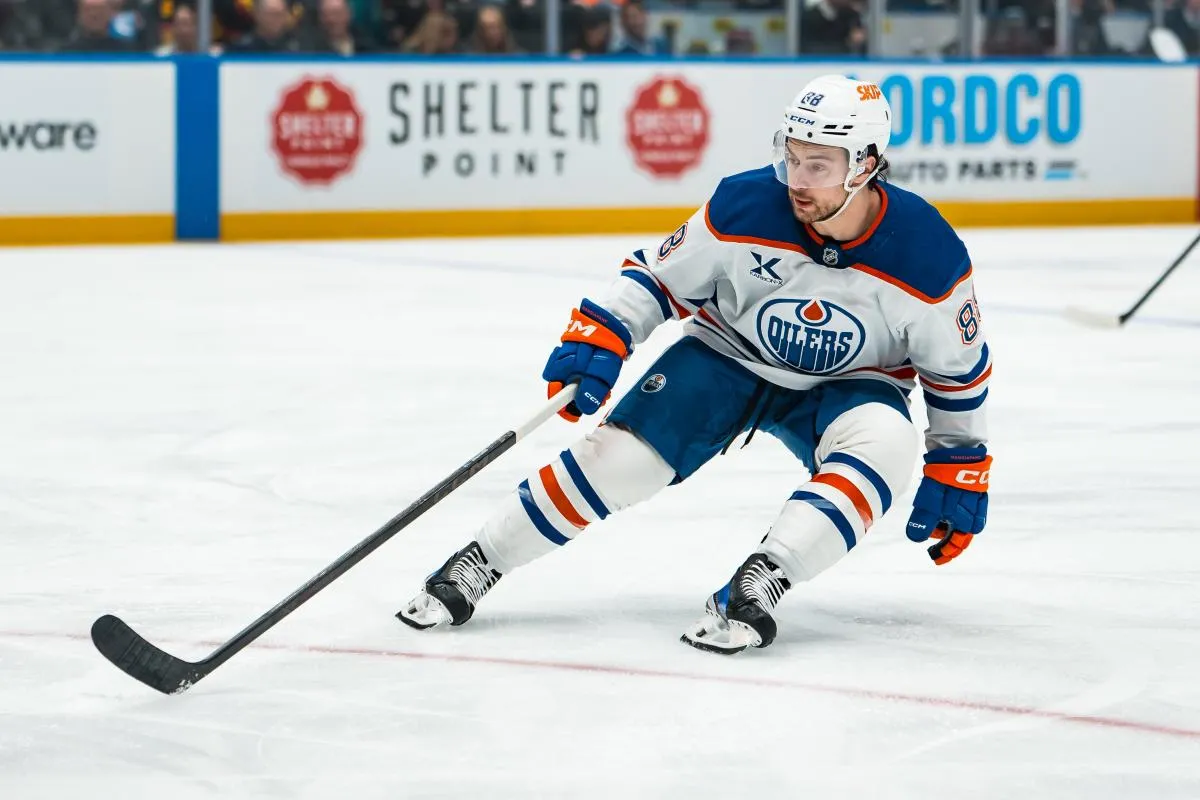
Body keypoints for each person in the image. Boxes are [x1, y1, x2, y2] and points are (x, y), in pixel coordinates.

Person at [396, 75, 993, 655]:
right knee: (619, 459)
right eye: (793, 158)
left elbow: (957, 372)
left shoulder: (928, 253)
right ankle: (480, 561)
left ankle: (761, 580)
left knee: (886, 444)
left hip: (850, 384)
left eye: (819, 165)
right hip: (727, 357)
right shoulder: (745, 204)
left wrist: (958, 459)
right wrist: (604, 333)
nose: (798, 181)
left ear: (864, 166)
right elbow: (657, 276)